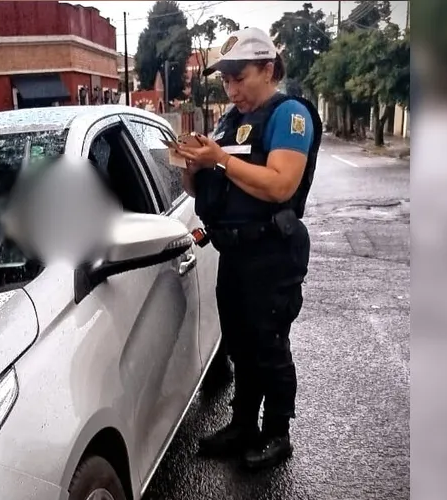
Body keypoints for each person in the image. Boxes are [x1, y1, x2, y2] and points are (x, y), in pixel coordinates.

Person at [174, 27, 323, 470]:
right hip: (234, 253)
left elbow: (281, 185)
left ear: (268, 69)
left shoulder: (289, 114)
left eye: (240, 77)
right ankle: (243, 424)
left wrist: (219, 158)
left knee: (269, 344)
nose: (232, 88)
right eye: (226, 80)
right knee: (240, 342)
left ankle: (277, 432)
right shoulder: (229, 122)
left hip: (272, 253)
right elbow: (204, 184)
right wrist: (190, 163)